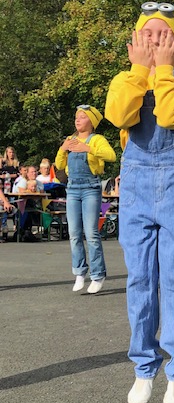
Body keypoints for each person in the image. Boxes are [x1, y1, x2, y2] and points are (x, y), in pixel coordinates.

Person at [105, 0, 174, 403]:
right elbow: (118, 115)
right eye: (148, 34)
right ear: (134, 41)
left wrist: (163, 71)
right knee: (140, 281)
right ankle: (144, 366)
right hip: (137, 188)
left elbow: (171, 116)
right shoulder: (124, 80)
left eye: (164, 37)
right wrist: (138, 72)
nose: (155, 42)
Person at [55, 105, 116, 294]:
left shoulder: (97, 139)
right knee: (74, 233)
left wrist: (87, 148)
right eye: (76, 117)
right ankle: (79, 272)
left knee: (91, 233)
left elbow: (111, 156)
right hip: (72, 188)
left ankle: (98, 275)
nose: (77, 120)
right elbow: (59, 165)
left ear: (91, 121)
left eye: (82, 117)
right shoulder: (69, 140)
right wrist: (63, 149)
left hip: (90, 187)